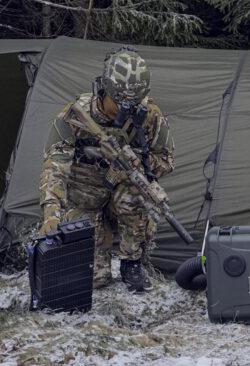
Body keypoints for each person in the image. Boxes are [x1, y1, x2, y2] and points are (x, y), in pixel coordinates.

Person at [39, 46, 175, 292]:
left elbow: (166, 159)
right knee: (93, 280)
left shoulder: (150, 115)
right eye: (121, 103)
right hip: (84, 193)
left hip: (123, 192)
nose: (128, 110)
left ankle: (132, 262)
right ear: (105, 91)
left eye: (134, 103)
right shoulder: (77, 113)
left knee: (139, 196)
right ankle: (96, 259)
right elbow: (55, 166)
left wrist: (135, 162)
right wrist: (51, 212)